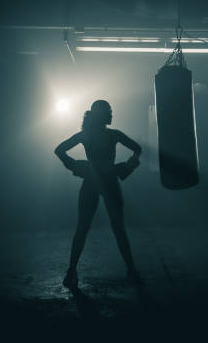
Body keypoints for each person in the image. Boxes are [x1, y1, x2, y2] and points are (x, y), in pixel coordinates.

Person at [54, 100, 143, 289]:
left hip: (95, 182)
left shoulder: (92, 135)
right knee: (113, 229)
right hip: (106, 182)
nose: (111, 114)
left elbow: (59, 150)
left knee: (85, 228)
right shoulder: (111, 135)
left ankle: (72, 271)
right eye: (108, 111)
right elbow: (138, 149)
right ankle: (131, 271)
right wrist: (128, 166)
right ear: (101, 115)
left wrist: (77, 166)